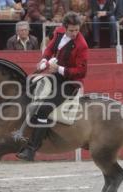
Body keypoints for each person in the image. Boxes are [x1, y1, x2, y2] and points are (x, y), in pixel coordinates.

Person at [16, 12, 88, 161]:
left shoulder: (82, 45)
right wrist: (43, 60)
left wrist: (59, 69)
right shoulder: (58, 32)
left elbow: (81, 71)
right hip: (54, 76)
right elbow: (49, 49)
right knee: (29, 87)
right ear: (64, 27)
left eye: (77, 30)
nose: (74, 33)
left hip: (69, 84)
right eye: (71, 30)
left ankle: (31, 150)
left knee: (43, 110)